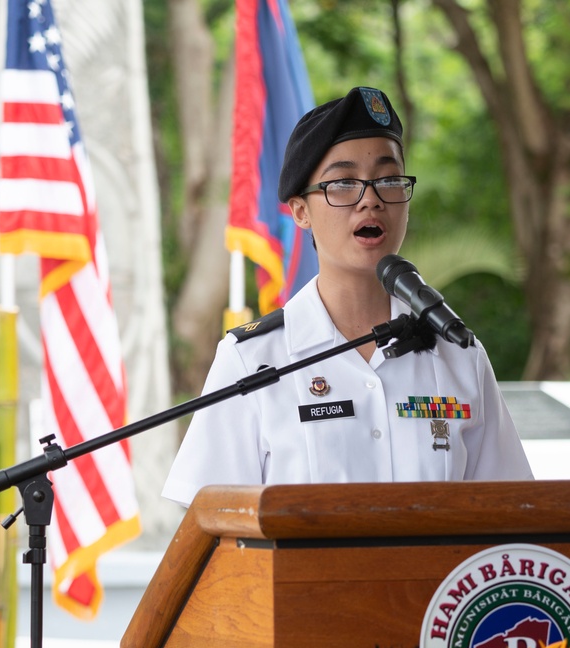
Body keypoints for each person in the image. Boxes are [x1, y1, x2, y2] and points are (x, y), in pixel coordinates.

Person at [162, 86, 532, 508]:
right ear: (301, 210)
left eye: (388, 179)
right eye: (343, 183)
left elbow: (511, 512)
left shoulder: (458, 355)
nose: (370, 199)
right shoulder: (254, 361)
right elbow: (209, 529)